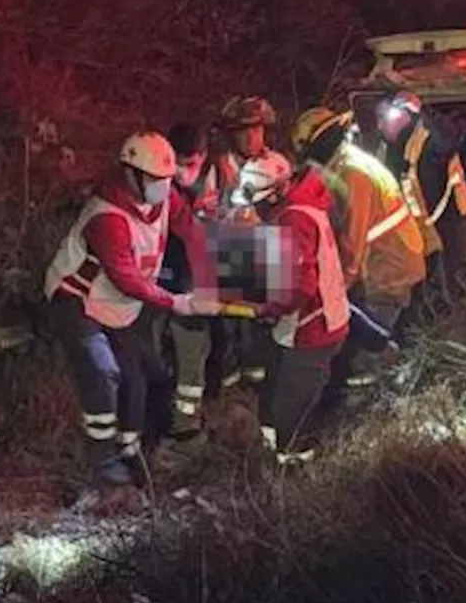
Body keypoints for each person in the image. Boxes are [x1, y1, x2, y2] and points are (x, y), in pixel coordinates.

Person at [44, 131, 222, 488]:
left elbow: (190, 231)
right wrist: (179, 303)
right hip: (78, 302)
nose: (163, 187)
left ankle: (132, 450)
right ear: (131, 174)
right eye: (156, 180)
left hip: (120, 308)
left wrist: (213, 275)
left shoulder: (163, 194)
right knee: (103, 372)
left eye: (167, 181)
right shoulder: (106, 216)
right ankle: (103, 461)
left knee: (141, 377)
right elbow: (127, 279)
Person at [290, 105, 426, 392]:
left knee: (364, 357)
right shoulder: (344, 164)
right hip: (383, 266)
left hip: (387, 271)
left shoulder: (353, 174)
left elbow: (352, 241)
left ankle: (365, 414)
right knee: (365, 343)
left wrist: (333, 288)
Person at [231, 153, 351, 465]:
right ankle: (274, 454)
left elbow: (299, 287)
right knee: (280, 398)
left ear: (274, 194)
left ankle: (294, 470)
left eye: (258, 203)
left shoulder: (293, 219)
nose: (256, 210)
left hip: (311, 328)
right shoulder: (303, 204)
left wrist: (266, 308)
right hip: (317, 321)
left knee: (291, 413)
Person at [154, 123, 220, 458]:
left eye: (189, 163)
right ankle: (154, 421)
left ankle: (185, 427)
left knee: (190, 359)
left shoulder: (217, 184)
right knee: (152, 355)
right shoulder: (157, 182)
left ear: (203, 158)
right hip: (157, 284)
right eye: (177, 162)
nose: (182, 171)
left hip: (193, 286)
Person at [214, 95, 289, 388]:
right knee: (228, 323)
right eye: (243, 130)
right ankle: (230, 383)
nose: (250, 136)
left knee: (261, 323)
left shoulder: (278, 165)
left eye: (256, 129)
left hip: (266, 252)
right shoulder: (220, 167)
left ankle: (258, 381)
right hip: (228, 252)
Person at [375, 90, 466, 309]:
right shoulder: (388, 148)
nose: (380, 126)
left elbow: (449, 139)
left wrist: (422, 109)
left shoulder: (428, 138)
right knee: (422, 286)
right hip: (416, 228)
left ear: (404, 115)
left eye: (384, 118)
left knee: (449, 284)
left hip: (447, 222)